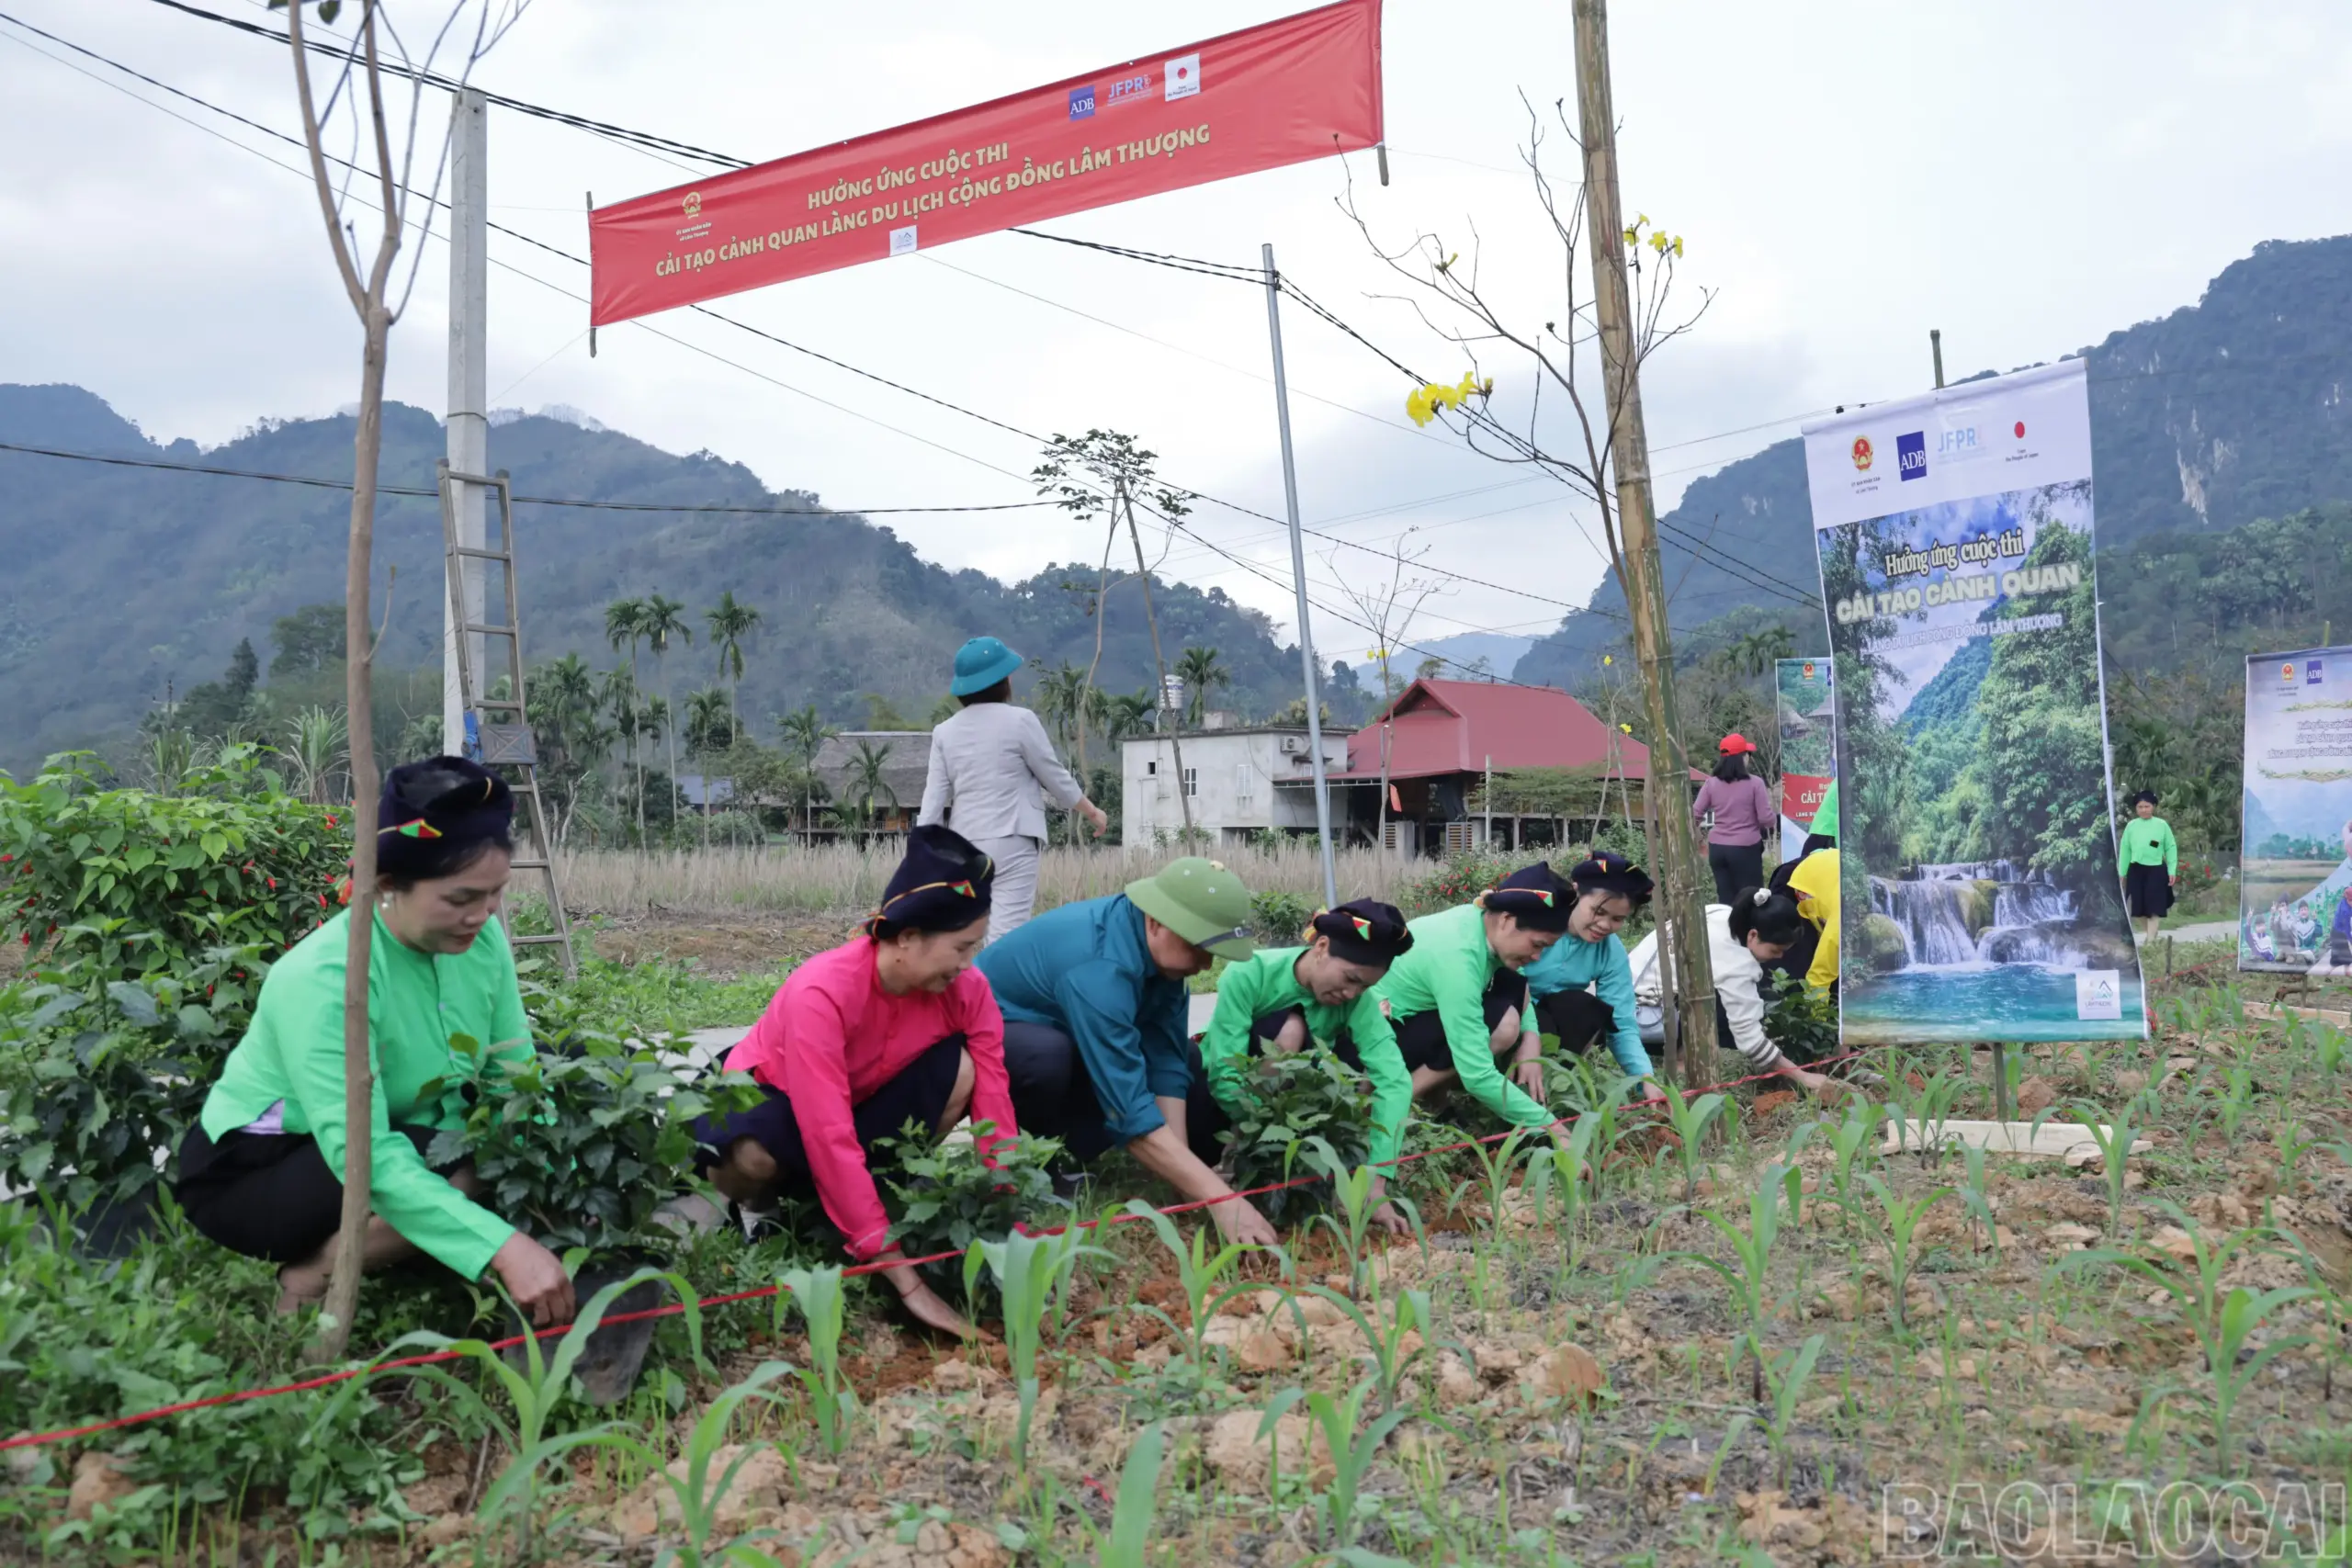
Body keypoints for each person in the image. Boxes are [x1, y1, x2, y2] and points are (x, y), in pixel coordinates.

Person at [174, 758, 576, 1325]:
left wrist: (558, 1155)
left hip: (396, 1134)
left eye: (495, 895)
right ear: (387, 885)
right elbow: (363, 1154)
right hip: (260, 1169)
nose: (481, 916)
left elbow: (515, 1072)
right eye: (461, 899)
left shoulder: (482, 945)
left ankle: (405, 1240)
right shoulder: (327, 976)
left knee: (555, 1084)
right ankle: (313, 1274)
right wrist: (502, 1247)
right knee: (450, 1160)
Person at [693, 825, 1012, 1337]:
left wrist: (1011, 1210)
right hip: (774, 1094)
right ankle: (760, 1212)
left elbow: (995, 1099)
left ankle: (870, 1199)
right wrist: (904, 1279)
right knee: (754, 1151)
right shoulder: (822, 992)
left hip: (862, 1094)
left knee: (965, 1072)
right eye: (961, 947)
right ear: (907, 938)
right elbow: (827, 1130)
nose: (968, 963)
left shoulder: (968, 989)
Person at [978, 857, 1279, 1246]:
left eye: (1213, 951)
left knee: (1187, 1058)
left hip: (1070, 1036)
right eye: (1198, 946)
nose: (1205, 964)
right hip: (997, 1044)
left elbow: (1167, 1064)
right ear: (1156, 922)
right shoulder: (1100, 966)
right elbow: (1128, 1109)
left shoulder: (1160, 959)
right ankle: (1034, 1163)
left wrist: (1185, 1182)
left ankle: (1076, 1153)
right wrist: (1221, 1199)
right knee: (1045, 1056)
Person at [1195, 900, 1417, 1234]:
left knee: (1357, 1058)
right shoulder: (1250, 972)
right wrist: (1270, 1133)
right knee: (1290, 1030)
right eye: (1350, 978)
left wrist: (1377, 1179)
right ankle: (1232, 1167)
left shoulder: (1357, 1003)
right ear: (1322, 947)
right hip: (1219, 1115)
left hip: (1297, 1127)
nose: (1352, 993)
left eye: (1364, 987)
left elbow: (1394, 1081)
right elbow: (1225, 1072)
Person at [1370, 862, 1583, 1147]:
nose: (1537, 958)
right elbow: (1477, 1075)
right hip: (1378, 1035)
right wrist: (1554, 1129)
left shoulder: (1479, 924)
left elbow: (1519, 981)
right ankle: (1393, 1105)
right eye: (1537, 945)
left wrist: (1530, 1034)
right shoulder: (1458, 958)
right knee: (1501, 1026)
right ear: (1507, 919)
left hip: (1412, 1019)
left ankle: (1434, 1102)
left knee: (1511, 991)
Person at [918, 636, 1109, 944]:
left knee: (964, 938)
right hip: (1013, 840)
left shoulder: (945, 732)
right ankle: (998, 991)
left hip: (963, 847)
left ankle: (971, 991)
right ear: (1003, 681)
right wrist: (1092, 811)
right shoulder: (1021, 721)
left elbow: (933, 800)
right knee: (1006, 939)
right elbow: (1055, 776)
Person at [1628, 887, 1849, 1100]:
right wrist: (1803, 1076)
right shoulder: (1737, 962)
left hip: (1625, 994)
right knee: (1733, 1012)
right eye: (1775, 950)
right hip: (1644, 1019)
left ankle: (1682, 1055)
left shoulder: (1720, 913)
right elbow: (1750, 1040)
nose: (1780, 958)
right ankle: (1682, 1063)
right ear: (1753, 935)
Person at [1518, 851, 1668, 1105]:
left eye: (1617, 918)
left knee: (1585, 1008)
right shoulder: (1537, 921)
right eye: (1598, 911)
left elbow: (1622, 1025)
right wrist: (1529, 1031)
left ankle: (1548, 1091)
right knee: (1536, 1019)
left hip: (1550, 1021)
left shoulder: (1610, 952)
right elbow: (1506, 980)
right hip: (1509, 1010)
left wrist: (1646, 1080)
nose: (1605, 925)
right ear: (1576, 893)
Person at [1692, 734, 1774, 904]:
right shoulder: (1755, 783)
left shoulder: (1711, 784)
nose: (1749, 758)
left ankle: (1729, 930)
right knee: (1751, 900)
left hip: (1717, 849)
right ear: (1742, 758)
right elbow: (1767, 819)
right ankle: (1748, 931)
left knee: (1726, 900)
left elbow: (1694, 816)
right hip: (1745, 849)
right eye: (1748, 754)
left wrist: (1699, 837)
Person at [2116, 788, 2177, 945]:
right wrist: (2122, 872)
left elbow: (2170, 848)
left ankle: (2150, 942)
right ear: (2136, 808)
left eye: (2147, 806)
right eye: (2140, 807)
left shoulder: (2161, 825)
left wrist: (2172, 870)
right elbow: (2125, 850)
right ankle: (2151, 936)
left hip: (2156, 870)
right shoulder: (2131, 826)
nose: (2144, 810)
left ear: (2153, 807)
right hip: (2136, 870)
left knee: (2154, 908)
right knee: (2138, 910)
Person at [1803, 780, 1838, 857]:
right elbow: (1840, 820)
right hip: (1828, 838)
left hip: (1821, 834)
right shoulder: (1846, 781)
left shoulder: (1840, 778)